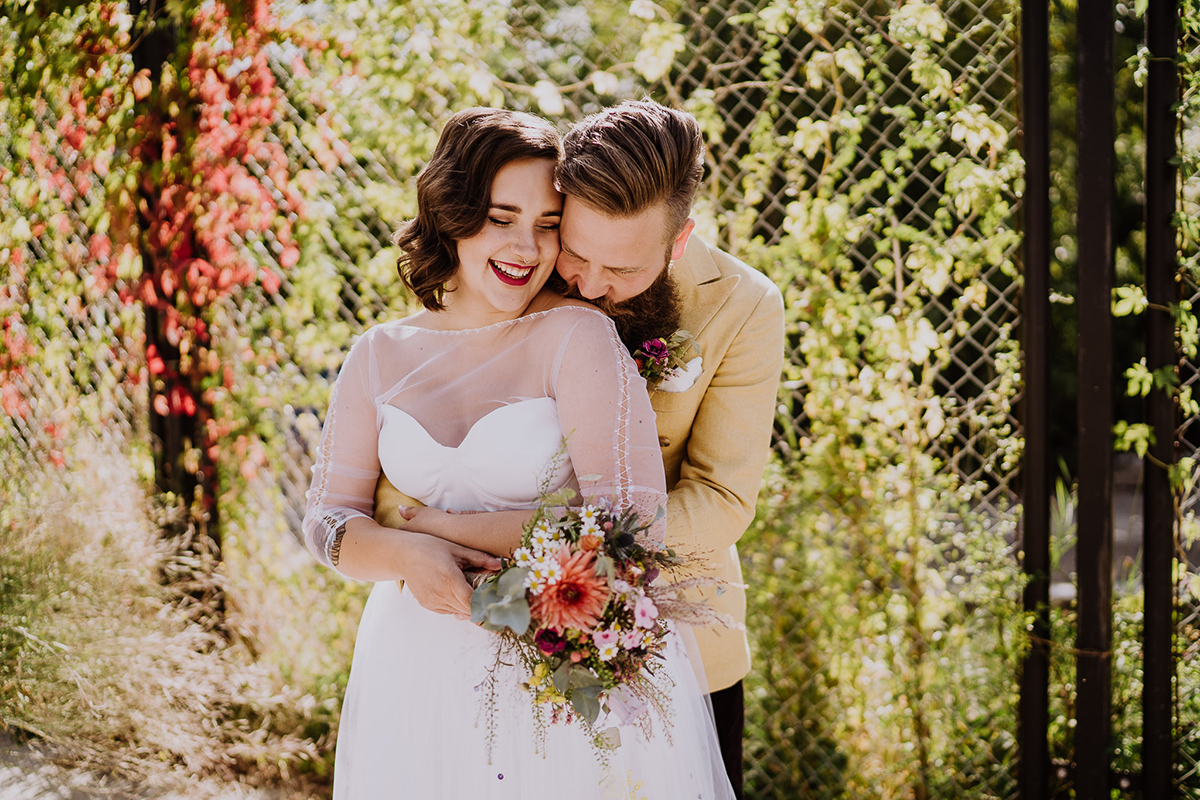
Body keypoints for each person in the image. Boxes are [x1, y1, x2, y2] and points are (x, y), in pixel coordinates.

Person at [303, 107, 735, 799]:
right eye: (501, 217)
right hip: (412, 668)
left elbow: (631, 530)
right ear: (453, 211)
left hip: (559, 677)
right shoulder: (378, 356)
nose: (526, 247)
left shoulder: (577, 334)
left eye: (546, 225)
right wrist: (406, 556)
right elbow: (327, 521)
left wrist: (432, 529)